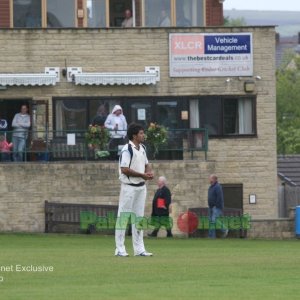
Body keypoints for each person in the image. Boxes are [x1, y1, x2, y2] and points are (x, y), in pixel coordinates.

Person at [115, 123, 154, 257]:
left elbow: (147, 164)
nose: (143, 135)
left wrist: (148, 173)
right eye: (141, 133)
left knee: (139, 218)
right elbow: (124, 169)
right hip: (129, 187)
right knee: (124, 217)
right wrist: (142, 175)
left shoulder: (142, 148)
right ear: (134, 135)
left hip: (141, 187)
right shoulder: (127, 149)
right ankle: (119, 248)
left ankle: (139, 249)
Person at [208, 174, 228, 238]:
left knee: (214, 220)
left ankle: (224, 229)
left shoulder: (218, 187)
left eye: (210, 178)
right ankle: (211, 237)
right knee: (211, 221)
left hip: (217, 207)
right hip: (211, 207)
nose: (209, 179)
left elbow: (219, 198)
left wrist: (215, 206)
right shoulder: (211, 187)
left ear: (214, 179)